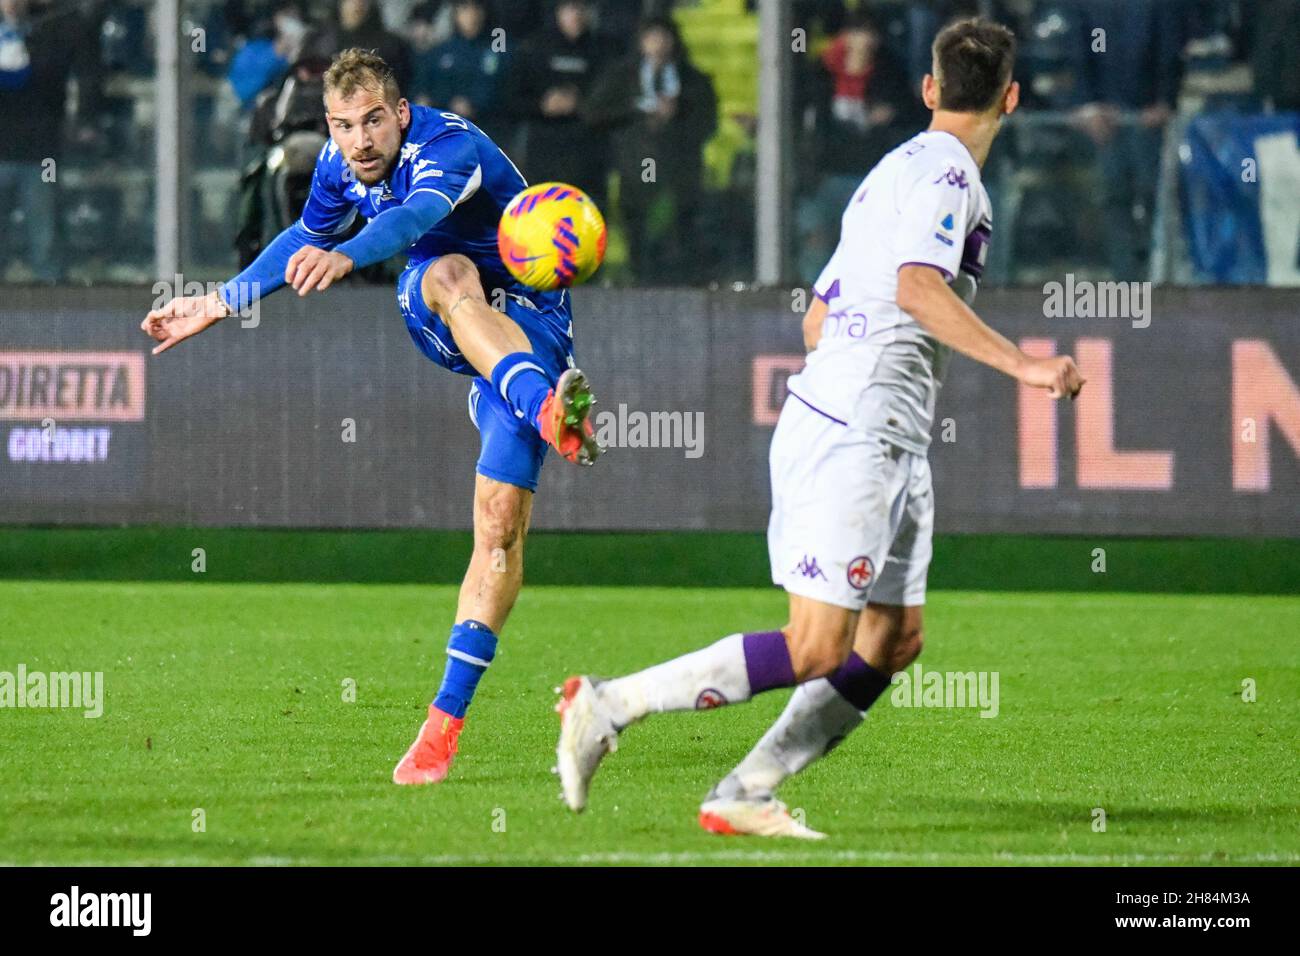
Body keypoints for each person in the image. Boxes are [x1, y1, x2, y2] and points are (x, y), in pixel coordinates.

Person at [555, 18, 1085, 837]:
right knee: (816, 646)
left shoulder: (892, 170)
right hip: (859, 427)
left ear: (930, 90)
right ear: (1012, 98)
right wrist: (1027, 366)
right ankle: (609, 704)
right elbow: (916, 288)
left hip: (883, 429)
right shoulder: (949, 176)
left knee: (895, 639)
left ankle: (745, 790)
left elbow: (818, 315)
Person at [142, 48, 604, 786]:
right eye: (341, 125)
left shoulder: (451, 147)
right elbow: (305, 236)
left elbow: (416, 215)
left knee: (498, 528)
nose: (357, 141)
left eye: (371, 123)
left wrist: (353, 254)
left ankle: (441, 729)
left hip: (532, 322)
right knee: (449, 273)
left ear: (401, 114)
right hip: (441, 301)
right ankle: (551, 409)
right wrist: (215, 302)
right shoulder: (336, 164)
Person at [584, 16, 716, 284]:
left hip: (680, 171)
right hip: (635, 167)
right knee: (638, 233)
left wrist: (677, 114)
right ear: (641, 41)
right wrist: (635, 109)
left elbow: (707, 123)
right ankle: (639, 285)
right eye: (651, 36)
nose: (658, 44)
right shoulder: (622, 75)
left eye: (663, 36)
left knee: (681, 232)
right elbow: (593, 113)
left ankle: (682, 288)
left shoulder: (693, 80)